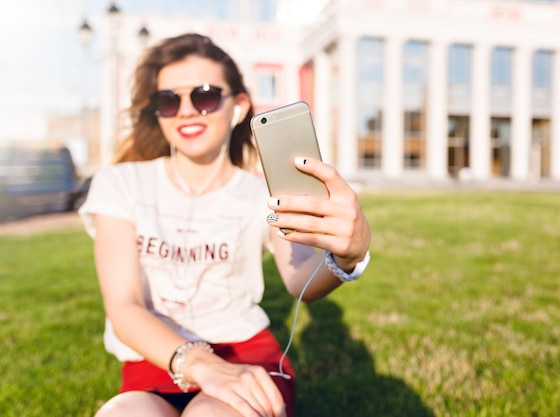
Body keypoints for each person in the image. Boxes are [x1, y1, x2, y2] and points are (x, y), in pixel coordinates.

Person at [78, 32, 371, 417]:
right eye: (169, 100)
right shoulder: (120, 183)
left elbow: (301, 281)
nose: (185, 110)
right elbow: (124, 306)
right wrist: (202, 365)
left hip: (247, 356)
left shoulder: (260, 192)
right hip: (158, 358)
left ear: (238, 107)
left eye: (204, 96)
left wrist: (348, 257)